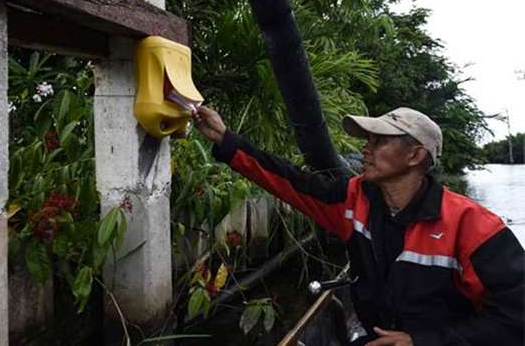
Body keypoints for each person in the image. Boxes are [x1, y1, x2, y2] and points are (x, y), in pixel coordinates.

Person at [193, 106, 524, 346]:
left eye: (379, 141)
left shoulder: (472, 226)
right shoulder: (354, 199)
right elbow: (290, 182)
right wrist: (226, 140)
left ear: (414, 156)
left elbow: (516, 318)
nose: (366, 148)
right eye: (368, 139)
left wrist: (420, 341)